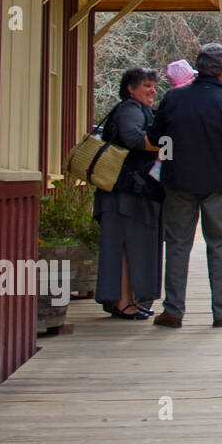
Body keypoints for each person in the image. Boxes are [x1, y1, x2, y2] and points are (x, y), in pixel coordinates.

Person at [150, 43, 222, 328]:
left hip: (178, 182)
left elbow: (157, 137)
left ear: (198, 67)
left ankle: (172, 310)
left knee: (178, 244)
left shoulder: (174, 99)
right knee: (219, 244)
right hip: (217, 184)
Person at [94, 66, 164, 320]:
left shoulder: (139, 109)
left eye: (154, 86)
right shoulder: (129, 110)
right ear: (130, 89)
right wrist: (168, 142)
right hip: (123, 192)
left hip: (129, 191)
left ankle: (129, 300)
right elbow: (133, 138)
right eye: (146, 86)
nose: (152, 90)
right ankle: (124, 303)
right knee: (124, 247)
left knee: (129, 246)